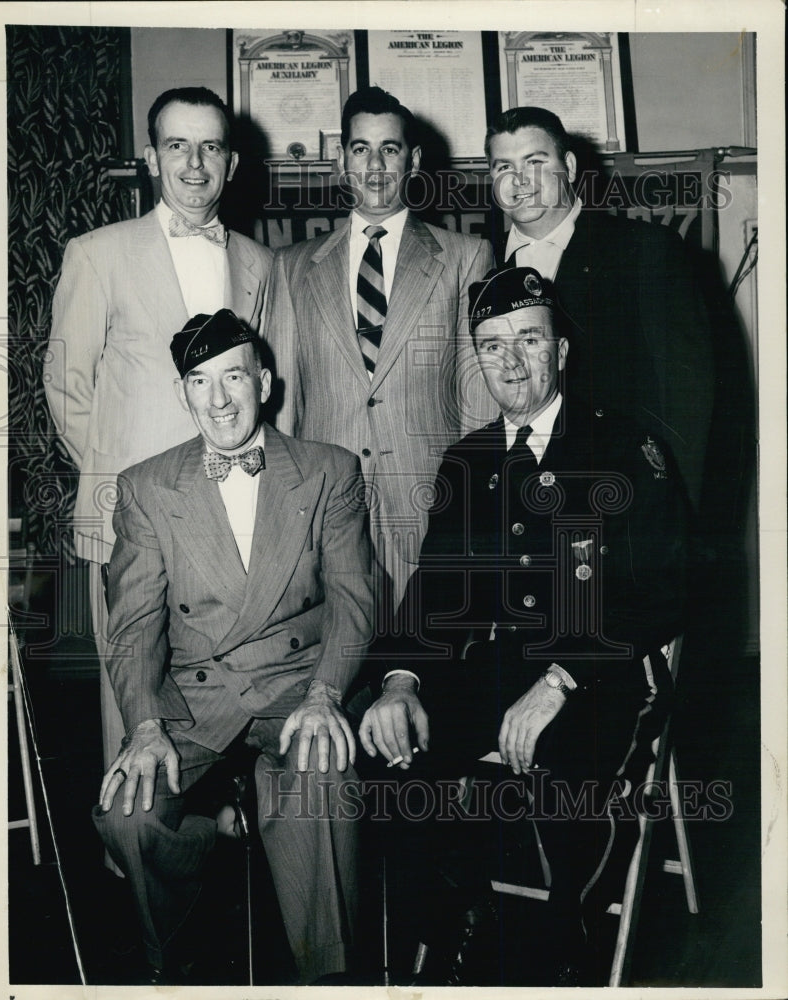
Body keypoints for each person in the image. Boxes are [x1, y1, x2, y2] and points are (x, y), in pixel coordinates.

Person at [359, 266, 690, 985]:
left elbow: (668, 590)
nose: (509, 361)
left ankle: (572, 945)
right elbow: (432, 592)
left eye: (529, 341)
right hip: (494, 670)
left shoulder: (627, 449)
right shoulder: (468, 459)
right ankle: (447, 927)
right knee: (386, 748)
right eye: (491, 345)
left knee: (574, 767)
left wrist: (560, 679)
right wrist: (401, 680)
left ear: (562, 351)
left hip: (598, 673)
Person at [92, 309, 373, 984]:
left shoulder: (330, 471)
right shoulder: (146, 488)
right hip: (196, 698)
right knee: (127, 814)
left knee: (324, 781)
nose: (218, 400)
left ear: (265, 383)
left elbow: (355, 601)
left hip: (297, 685)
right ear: (182, 393)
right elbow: (133, 627)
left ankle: (326, 974)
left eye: (234, 378)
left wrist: (326, 693)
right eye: (199, 382)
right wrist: (147, 725)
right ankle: (181, 960)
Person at [44, 86, 273, 778]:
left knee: (231, 685)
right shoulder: (97, 254)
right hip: (129, 513)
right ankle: (135, 858)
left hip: (235, 508)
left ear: (231, 163)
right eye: (177, 145)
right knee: (136, 694)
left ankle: (226, 835)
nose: (194, 163)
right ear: (151, 158)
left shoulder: (261, 265)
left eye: (210, 147)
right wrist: (128, 488)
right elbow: (66, 386)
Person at [263, 86, 494, 613]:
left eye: (389, 148)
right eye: (360, 148)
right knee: (336, 667)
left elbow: (477, 393)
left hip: (432, 501)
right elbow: (282, 404)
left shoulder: (465, 256)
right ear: (340, 158)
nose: (374, 164)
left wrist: (476, 502)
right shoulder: (293, 266)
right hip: (325, 505)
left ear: (413, 160)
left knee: (428, 666)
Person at [485, 106, 713, 511]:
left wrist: (676, 518)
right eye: (504, 167)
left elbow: (688, 400)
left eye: (535, 162)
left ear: (569, 166)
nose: (519, 181)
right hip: (511, 506)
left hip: (621, 504)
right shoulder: (478, 263)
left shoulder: (644, 251)